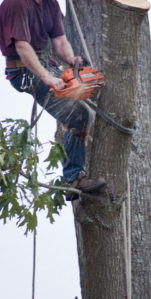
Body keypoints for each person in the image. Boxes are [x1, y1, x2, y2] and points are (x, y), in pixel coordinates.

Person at [0, 0, 107, 194]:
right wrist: (47, 77)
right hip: (23, 71)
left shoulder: (50, 3)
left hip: (44, 64)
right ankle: (73, 179)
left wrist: (71, 59)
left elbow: (59, 40)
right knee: (79, 115)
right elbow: (22, 46)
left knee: (89, 89)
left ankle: (76, 155)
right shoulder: (17, 4)